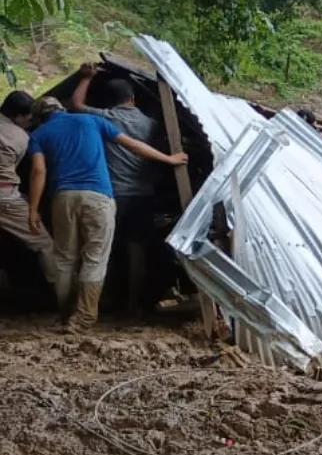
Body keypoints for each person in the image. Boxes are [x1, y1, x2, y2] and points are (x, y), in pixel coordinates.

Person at [26, 97, 187, 331]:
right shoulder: (92, 120)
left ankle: (64, 314)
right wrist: (169, 159)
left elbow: (38, 171)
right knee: (94, 258)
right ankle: (83, 319)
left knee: (65, 259)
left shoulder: (39, 134)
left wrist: (33, 209)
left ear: (41, 116)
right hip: (98, 197)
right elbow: (133, 145)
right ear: (62, 108)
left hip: (63, 198)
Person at [69, 64, 164, 314]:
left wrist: (86, 77)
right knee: (137, 250)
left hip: (112, 195)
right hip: (143, 196)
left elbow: (76, 105)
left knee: (104, 248)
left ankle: (101, 300)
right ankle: (134, 303)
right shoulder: (151, 124)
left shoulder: (107, 118)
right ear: (133, 98)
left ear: (109, 102)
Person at [0, 90, 56, 288]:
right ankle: (61, 293)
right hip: (5, 197)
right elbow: (34, 170)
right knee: (45, 244)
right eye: (29, 119)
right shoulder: (21, 136)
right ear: (19, 116)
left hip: (9, 194)